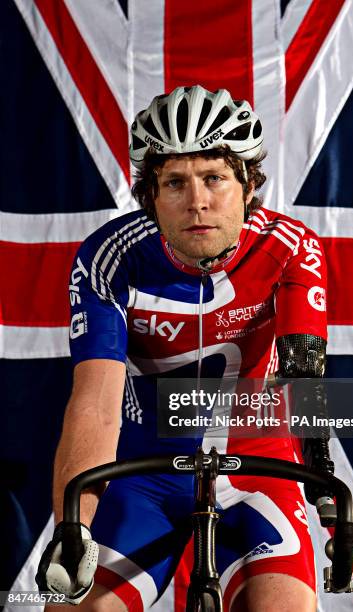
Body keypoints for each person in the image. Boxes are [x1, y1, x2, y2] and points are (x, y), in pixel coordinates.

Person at [36, 85, 334, 611]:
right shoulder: (109, 258)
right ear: (150, 195)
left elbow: (304, 377)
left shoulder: (290, 247)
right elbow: (95, 404)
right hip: (140, 471)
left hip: (256, 466)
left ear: (247, 185)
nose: (197, 200)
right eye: (175, 182)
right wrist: (74, 523)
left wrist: (326, 489)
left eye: (214, 177)